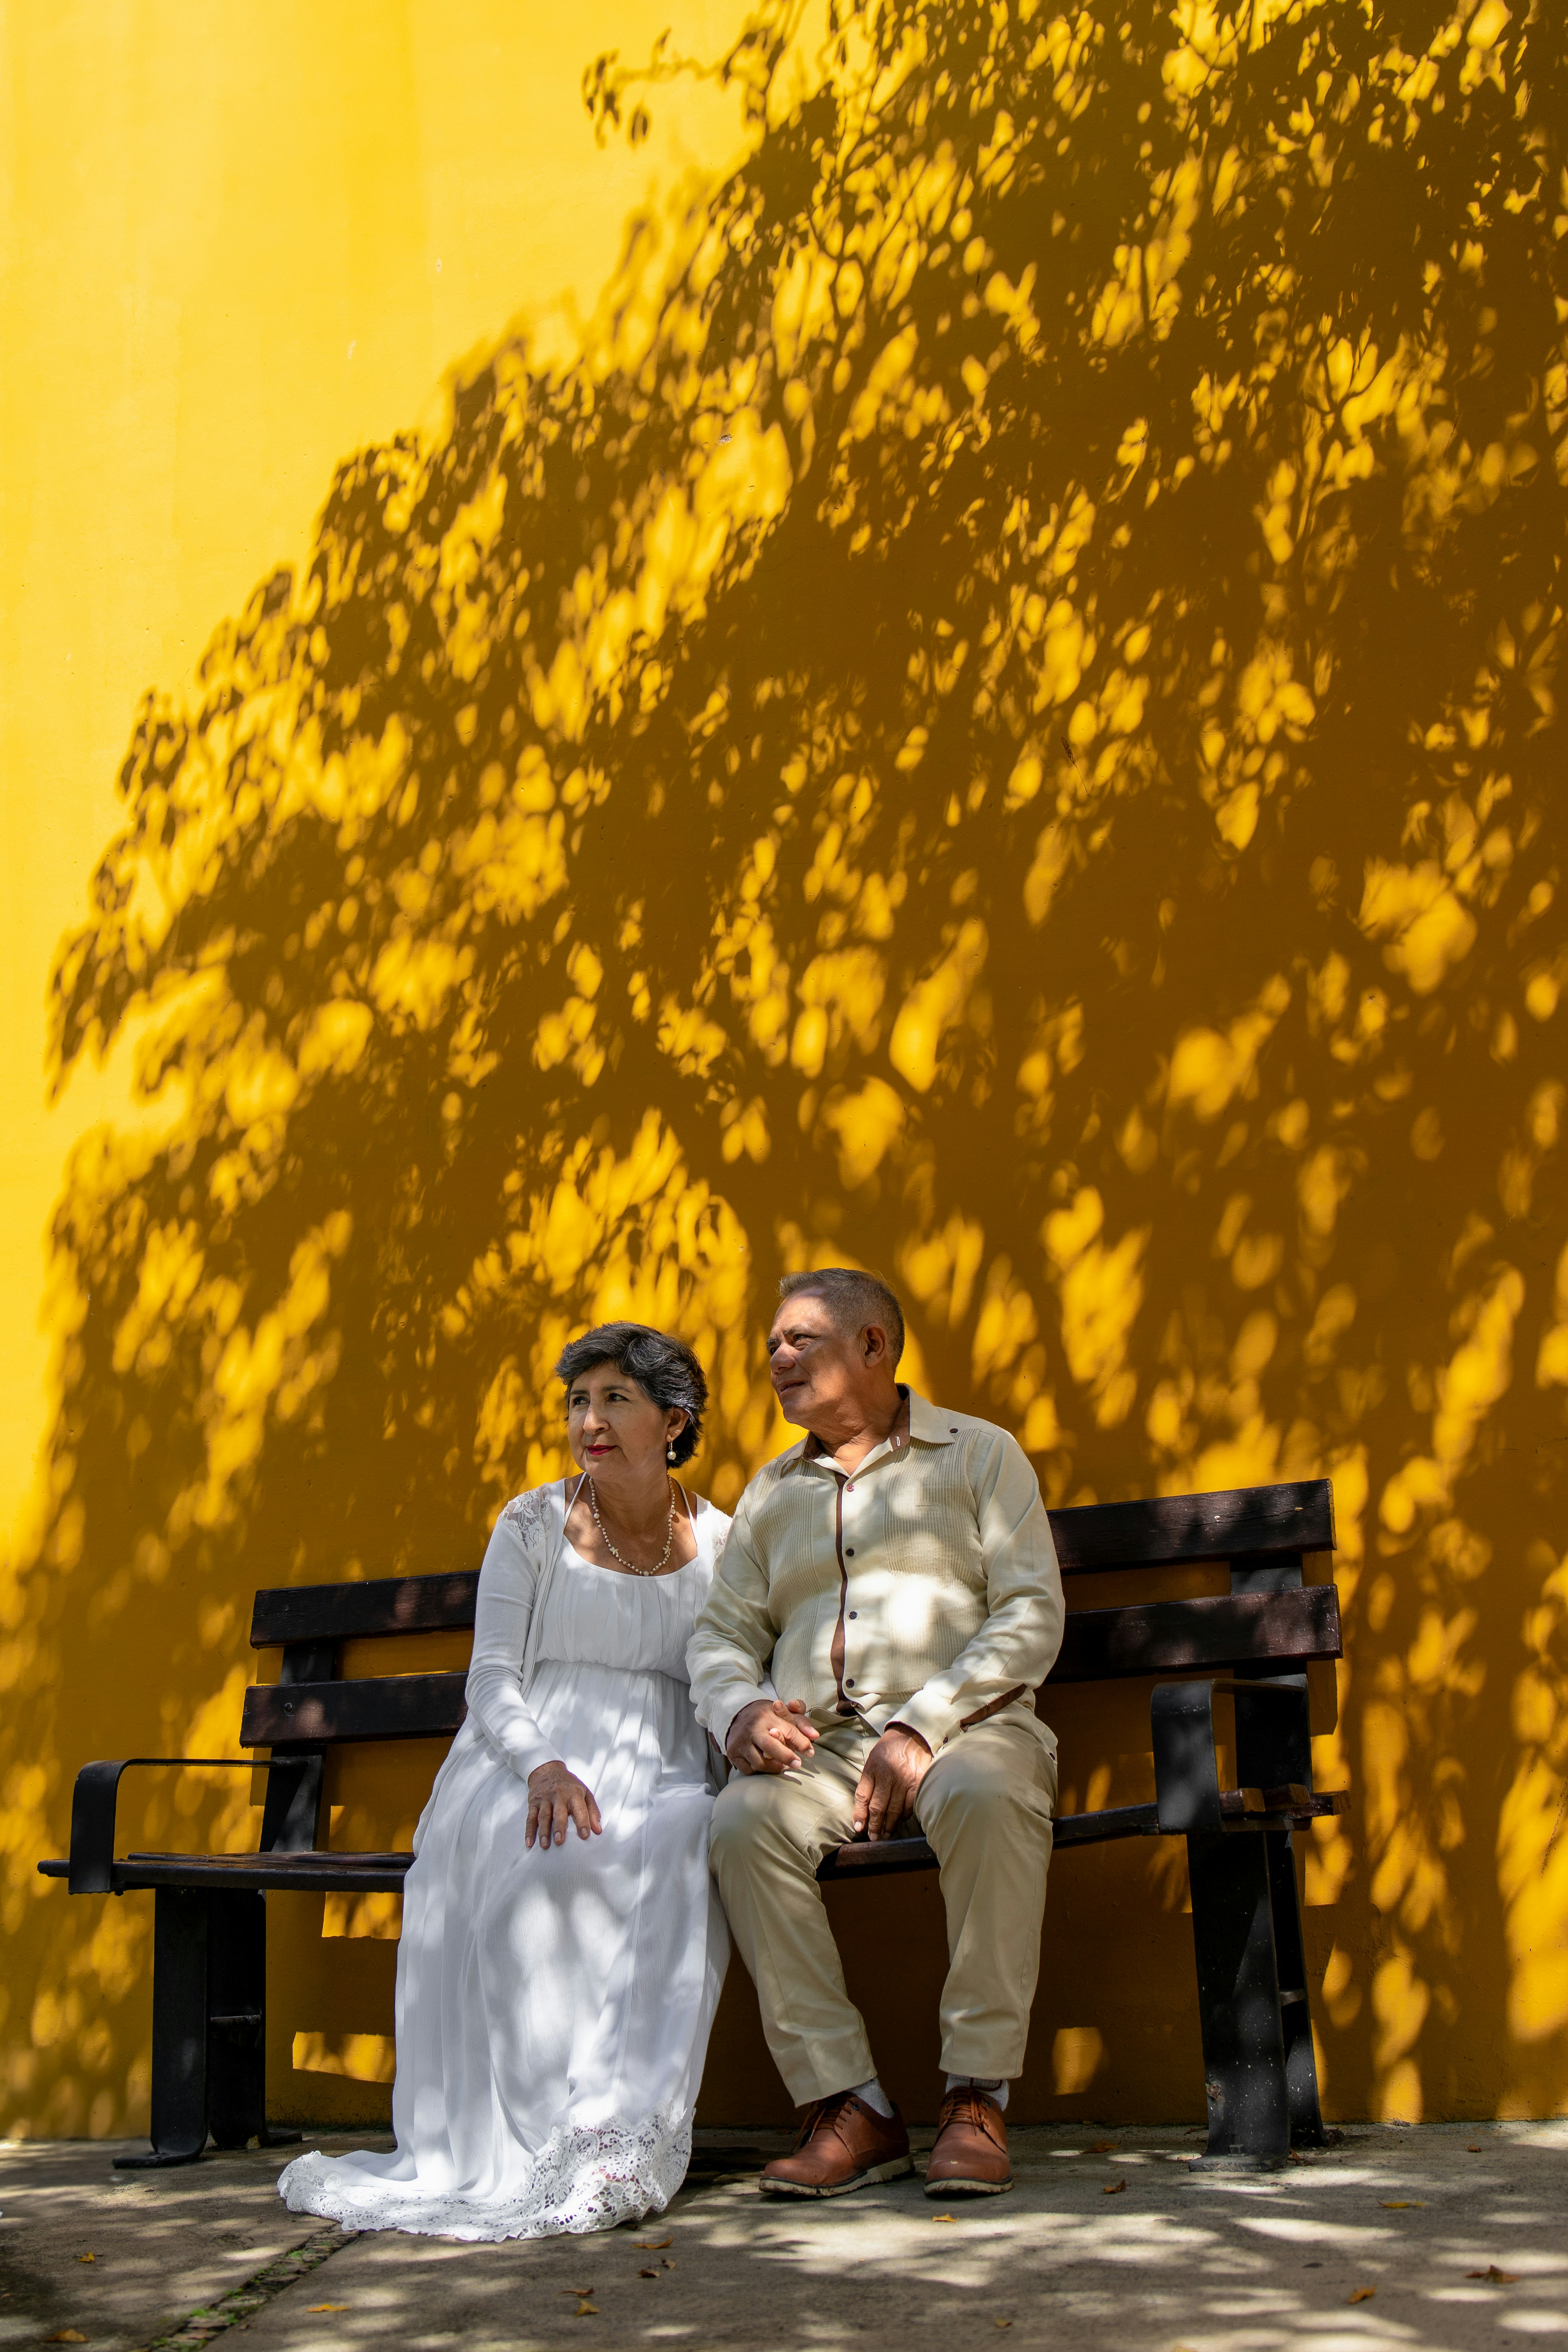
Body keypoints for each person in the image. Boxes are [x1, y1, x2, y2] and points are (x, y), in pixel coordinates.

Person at [278, 1324, 731, 2241]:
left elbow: (729, 1668)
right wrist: (542, 1765)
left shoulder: (724, 1538)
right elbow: (491, 1677)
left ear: (673, 1420)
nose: (589, 1422)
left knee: (687, 1848)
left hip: (672, 1760)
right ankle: (534, 2140)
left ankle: (613, 2132)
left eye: (615, 1401)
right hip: (529, 1758)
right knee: (551, 1875)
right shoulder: (531, 1524)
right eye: (578, 1402)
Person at [687, 1268, 1064, 2200]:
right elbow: (722, 1635)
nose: (776, 1358)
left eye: (799, 1339)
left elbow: (1030, 1613)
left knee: (984, 1793)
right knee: (739, 1824)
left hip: (965, 1729)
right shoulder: (770, 1495)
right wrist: (739, 1711)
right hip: (824, 1752)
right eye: (771, 1343)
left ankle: (977, 2093)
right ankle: (851, 2105)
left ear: (874, 1347)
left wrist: (920, 1725)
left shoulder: (978, 1456)